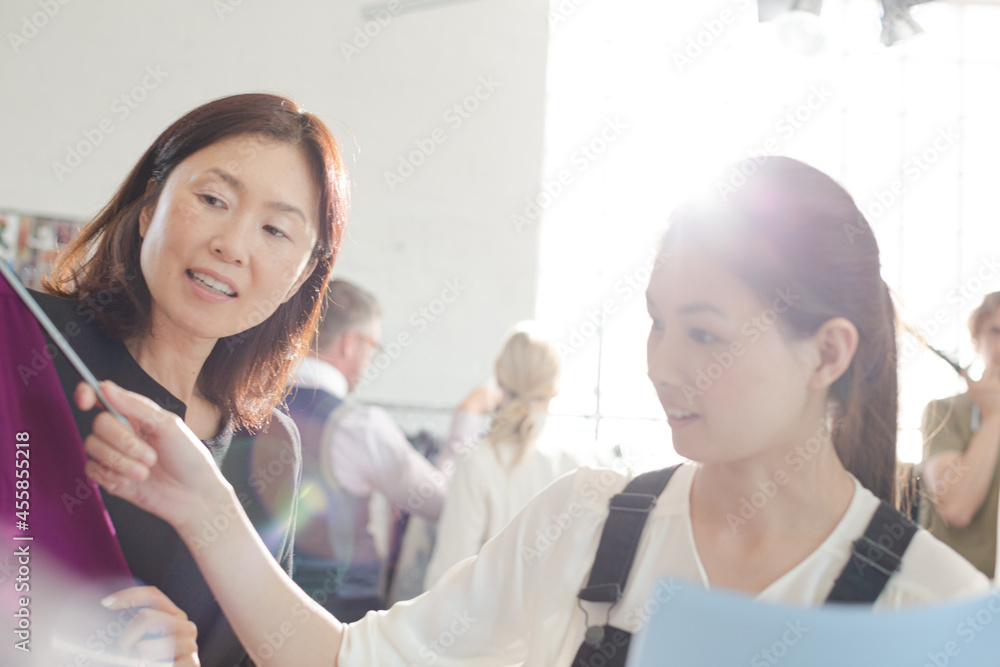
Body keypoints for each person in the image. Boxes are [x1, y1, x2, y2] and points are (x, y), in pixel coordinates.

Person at [79, 156, 990, 667]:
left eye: (706, 333)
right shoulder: (594, 523)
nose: (662, 363)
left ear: (827, 353)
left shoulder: (939, 612)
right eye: (656, 322)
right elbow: (350, 661)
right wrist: (206, 505)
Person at [30, 92, 348, 666]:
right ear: (149, 206)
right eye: (212, 199)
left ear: (302, 276)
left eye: (275, 230)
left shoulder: (271, 447)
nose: (232, 245)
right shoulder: (25, 342)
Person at [287, 278, 459, 621]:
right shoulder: (358, 426)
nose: (369, 361)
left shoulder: (244, 405)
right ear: (350, 343)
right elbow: (440, 502)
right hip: (339, 618)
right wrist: (459, 439)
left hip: (244, 617)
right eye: (372, 347)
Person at [424, 321, 585, 588]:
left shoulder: (477, 462)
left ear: (499, 381)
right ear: (553, 387)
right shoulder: (579, 461)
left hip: (485, 613)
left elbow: (447, 576)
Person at [919, 291, 1000, 577]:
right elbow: (956, 506)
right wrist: (994, 417)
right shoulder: (943, 413)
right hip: (955, 590)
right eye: (995, 331)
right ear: (977, 339)